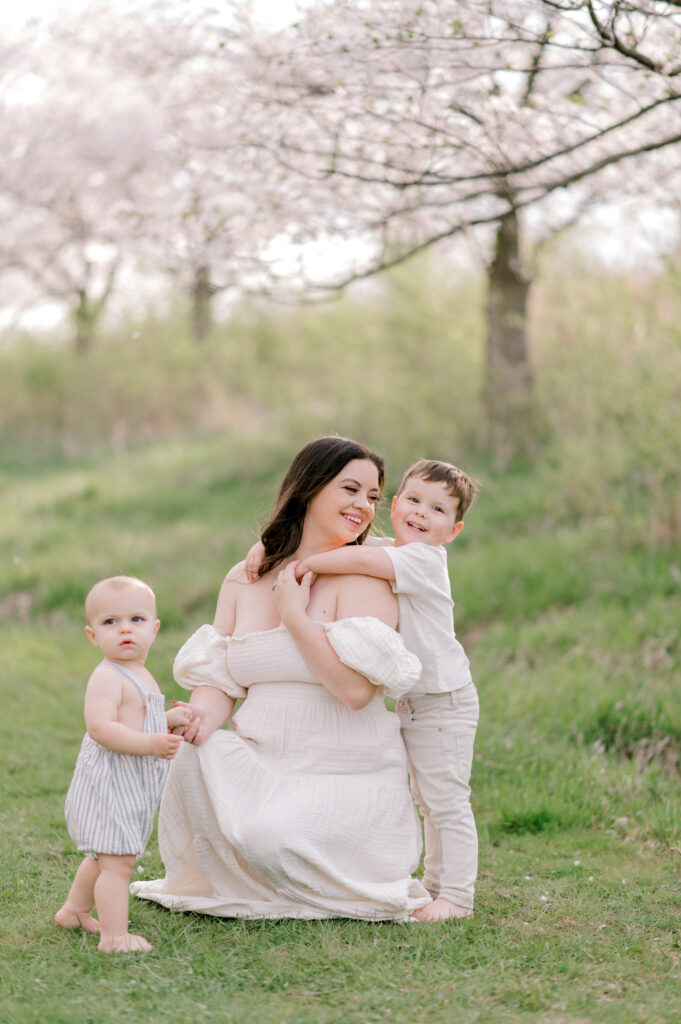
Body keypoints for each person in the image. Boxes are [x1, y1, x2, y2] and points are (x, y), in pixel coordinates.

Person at [132, 436, 432, 921]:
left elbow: (357, 692)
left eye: (373, 497)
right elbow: (220, 681)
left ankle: (291, 863)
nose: (363, 505)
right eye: (350, 489)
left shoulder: (366, 580)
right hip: (265, 760)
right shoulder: (244, 578)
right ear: (309, 489)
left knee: (267, 840)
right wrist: (196, 718)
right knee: (193, 754)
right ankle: (248, 867)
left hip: (343, 774)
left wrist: (294, 616)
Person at [246, 458, 479, 921]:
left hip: (444, 701)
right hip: (419, 701)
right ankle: (434, 884)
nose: (420, 513)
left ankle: (458, 896)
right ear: (394, 507)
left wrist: (302, 564)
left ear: (452, 531)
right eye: (413, 500)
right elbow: (349, 543)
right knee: (427, 797)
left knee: (446, 800)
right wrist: (264, 545)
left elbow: (353, 555)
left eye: (437, 510)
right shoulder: (394, 547)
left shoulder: (423, 558)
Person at [55, 576, 191, 952]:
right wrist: (150, 743)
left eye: (136, 619)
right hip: (111, 782)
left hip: (130, 782)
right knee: (118, 863)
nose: (125, 629)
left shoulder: (140, 673)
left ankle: (75, 910)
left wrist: (167, 722)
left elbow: (137, 720)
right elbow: (100, 728)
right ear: (92, 635)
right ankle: (115, 937)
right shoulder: (106, 677)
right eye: (110, 622)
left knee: (104, 856)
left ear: (155, 627)